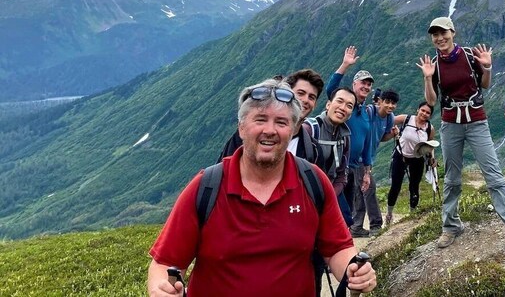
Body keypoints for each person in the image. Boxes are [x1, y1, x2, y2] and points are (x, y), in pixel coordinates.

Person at [147, 77, 377, 296]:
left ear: (294, 129)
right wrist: (160, 288)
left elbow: (337, 248)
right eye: (260, 119)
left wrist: (353, 271)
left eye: (281, 122)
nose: (270, 130)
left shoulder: (313, 182)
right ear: (241, 128)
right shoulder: (206, 187)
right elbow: (165, 261)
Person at [417, 16, 505, 252]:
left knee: (494, 176)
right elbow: (430, 101)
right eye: (435, 35)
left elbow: (485, 84)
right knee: (452, 177)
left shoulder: (470, 56)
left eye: (443, 33)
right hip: (451, 123)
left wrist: (487, 67)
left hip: (477, 121)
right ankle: (450, 226)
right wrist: (428, 78)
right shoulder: (434, 65)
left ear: (453, 32)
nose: (440, 38)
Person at [325, 46, 380, 237]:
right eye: (362, 83)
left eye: (368, 85)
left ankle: (343, 240)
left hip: (355, 167)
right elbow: (331, 90)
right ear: (354, 85)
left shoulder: (366, 113)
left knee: (348, 206)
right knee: (334, 207)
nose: (365, 87)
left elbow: (366, 144)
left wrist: (367, 171)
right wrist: (345, 65)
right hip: (338, 166)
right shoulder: (346, 106)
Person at [218, 69, 324, 162]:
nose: (305, 100)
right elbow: (224, 171)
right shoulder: (247, 135)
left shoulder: (313, 151)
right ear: (287, 93)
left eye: (312, 97)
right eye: (300, 93)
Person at [305, 86, 355, 223]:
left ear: (350, 113)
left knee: (345, 222)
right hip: (306, 195)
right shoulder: (309, 130)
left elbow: (342, 173)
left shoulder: (345, 137)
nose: (343, 108)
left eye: (349, 106)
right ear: (328, 104)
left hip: (332, 192)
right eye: (339, 101)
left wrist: (330, 194)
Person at [385, 101, 436, 225]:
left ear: (430, 115)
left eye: (427, 112)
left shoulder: (429, 128)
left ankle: (412, 215)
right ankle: (389, 214)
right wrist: (392, 131)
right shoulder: (406, 119)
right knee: (395, 186)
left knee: (414, 186)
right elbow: (388, 121)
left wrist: (432, 159)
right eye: (422, 110)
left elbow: (430, 145)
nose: (424, 114)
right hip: (400, 155)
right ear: (417, 110)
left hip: (417, 159)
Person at [357, 88, 399, 234]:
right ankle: (374, 225)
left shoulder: (390, 118)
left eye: (393, 103)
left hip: (369, 158)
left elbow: (382, 137)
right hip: (358, 156)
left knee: (361, 189)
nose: (390, 106)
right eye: (387, 102)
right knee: (368, 188)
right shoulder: (369, 112)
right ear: (379, 101)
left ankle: (356, 226)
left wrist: (392, 134)